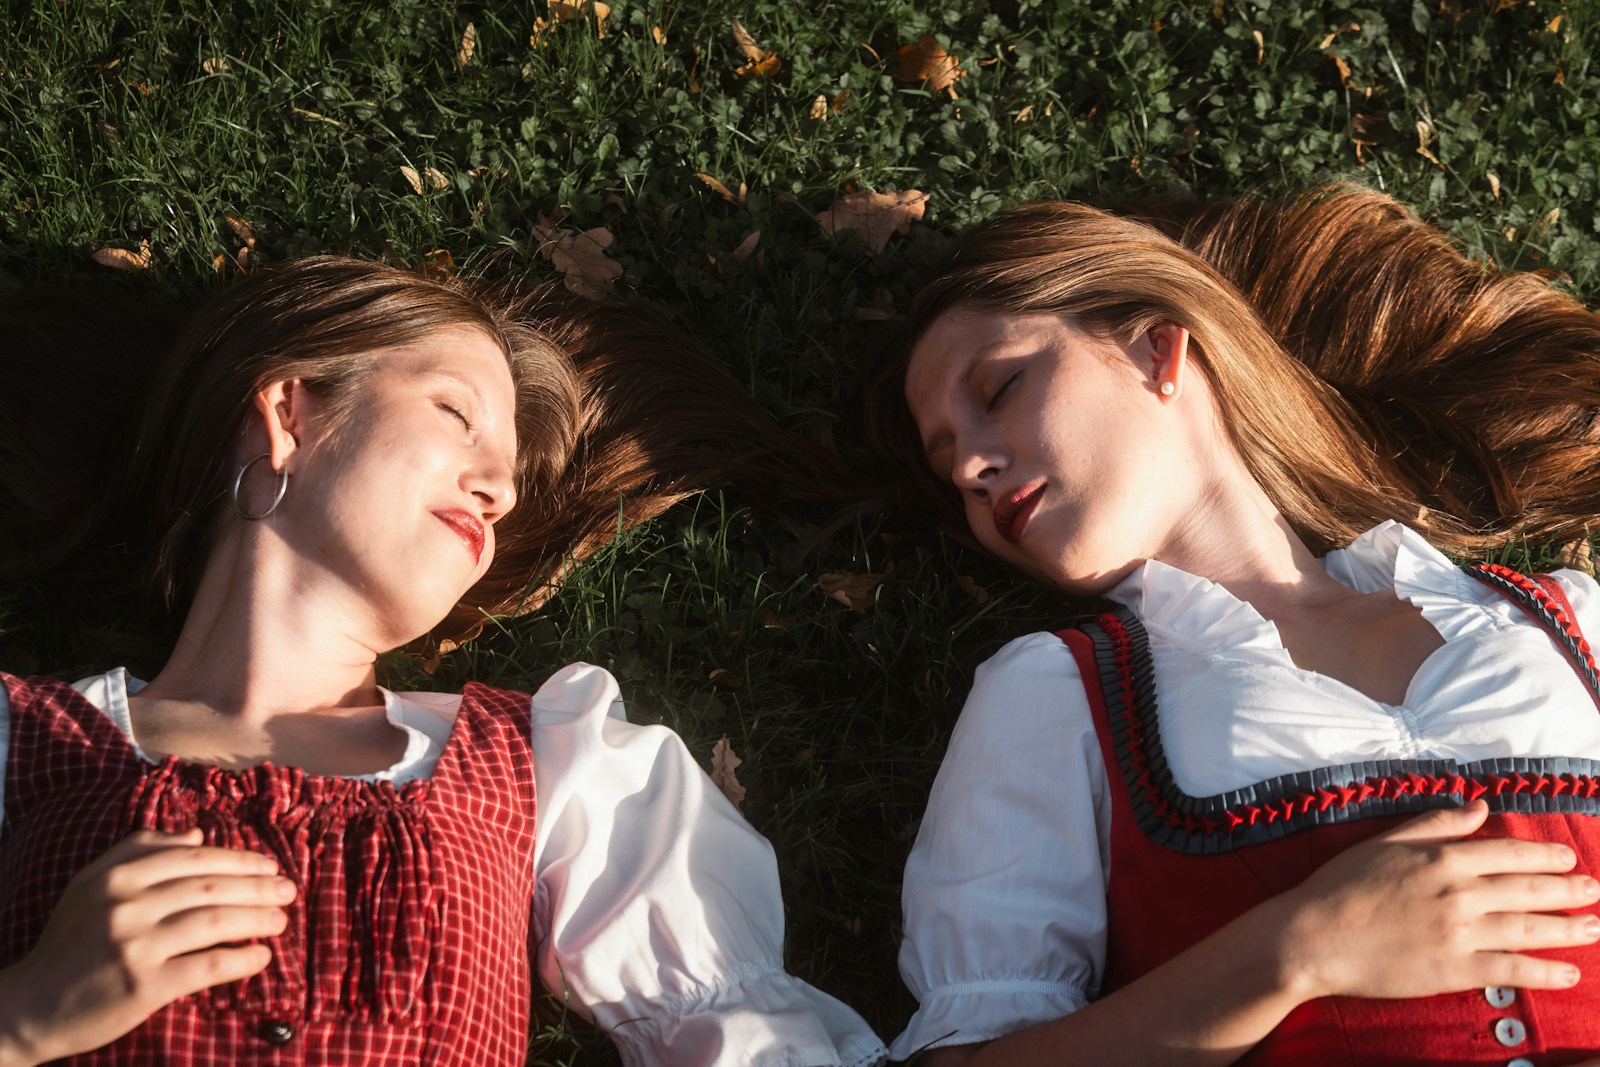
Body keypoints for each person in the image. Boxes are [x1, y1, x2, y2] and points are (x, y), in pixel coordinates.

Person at [0, 257, 887, 1067]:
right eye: (457, 414)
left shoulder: (551, 770)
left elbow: (751, 1042)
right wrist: (26, 1014)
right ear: (288, 414)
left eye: (508, 479)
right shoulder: (20, 743)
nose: (498, 489)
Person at [864, 184, 1600, 1065]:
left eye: (999, 388)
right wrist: (1292, 953)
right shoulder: (1051, 697)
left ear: (1155, 348)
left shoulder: (1563, 618)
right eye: (950, 464)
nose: (976, 468)